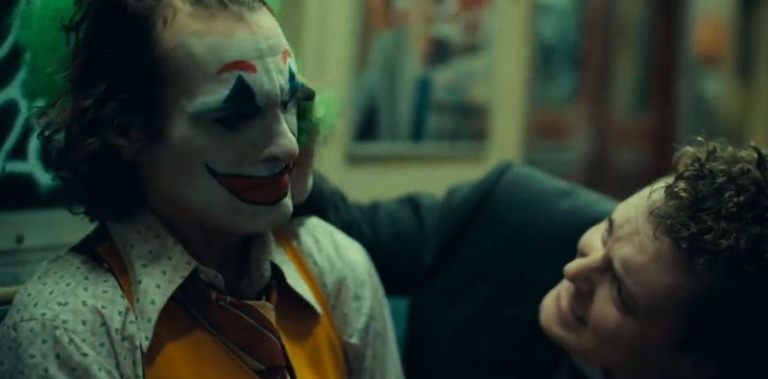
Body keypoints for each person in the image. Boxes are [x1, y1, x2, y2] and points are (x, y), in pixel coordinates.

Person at [0, 0, 402, 379]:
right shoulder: (69, 325)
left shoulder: (335, 268)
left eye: (288, 103)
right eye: (234, 116)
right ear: (126, 129)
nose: (288, 146)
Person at [296, 139, 768, 378]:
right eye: (607, 230)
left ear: (696, 364)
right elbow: (345, 228)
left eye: (622, 294)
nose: (575, 271)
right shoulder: (516, 216)